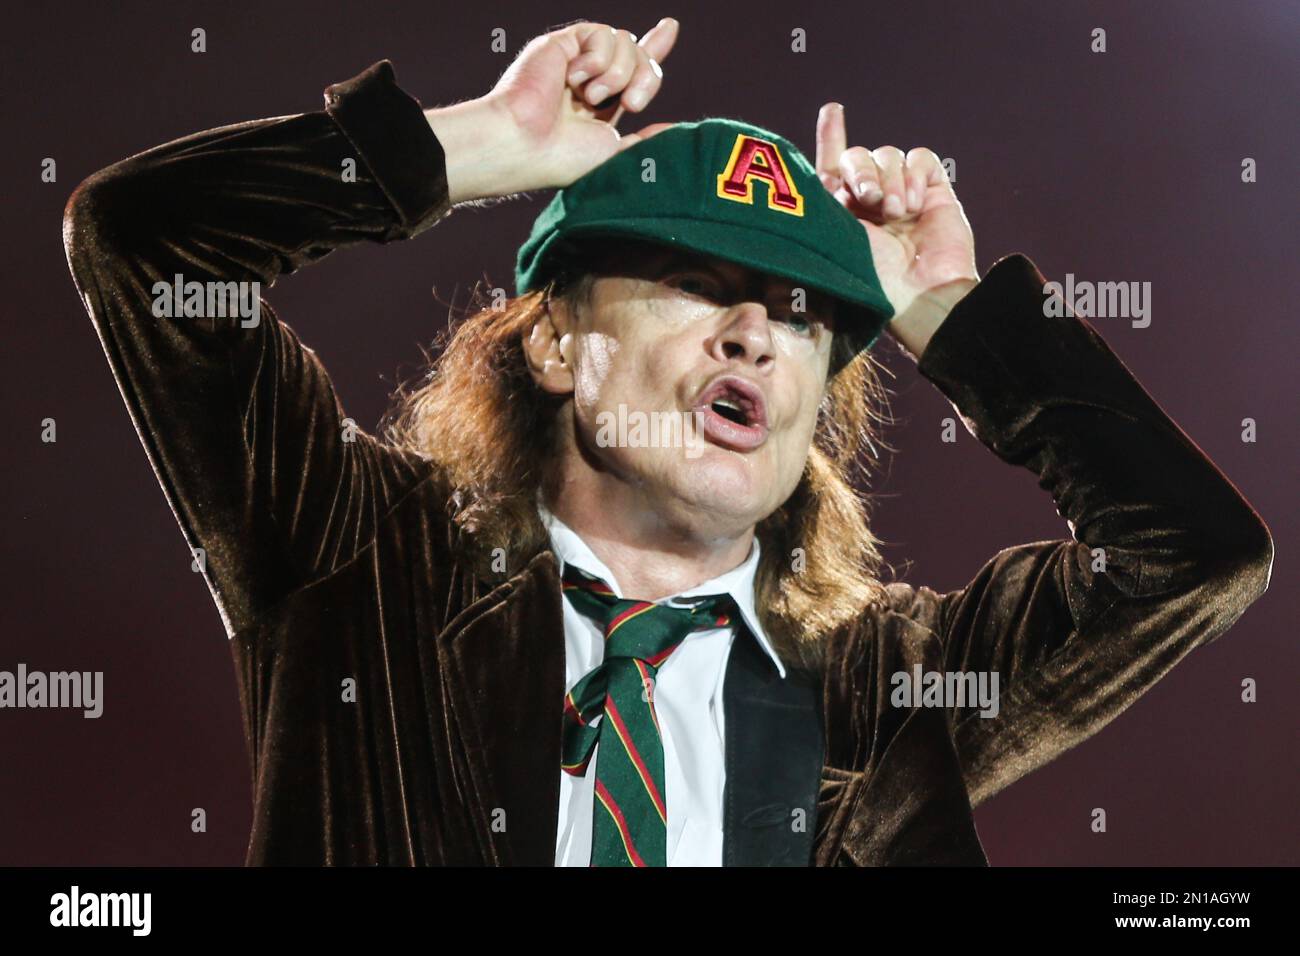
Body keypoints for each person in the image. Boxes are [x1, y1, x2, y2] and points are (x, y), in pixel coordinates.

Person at [62, 18, 1272, 866]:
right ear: (551, 347)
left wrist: (949, 318)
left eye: (804, 315)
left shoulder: (882, 683)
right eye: (696, 284)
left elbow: (1196, 556)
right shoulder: (359, 561)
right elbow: (146, 244)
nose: (756, 331)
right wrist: (470, 146)